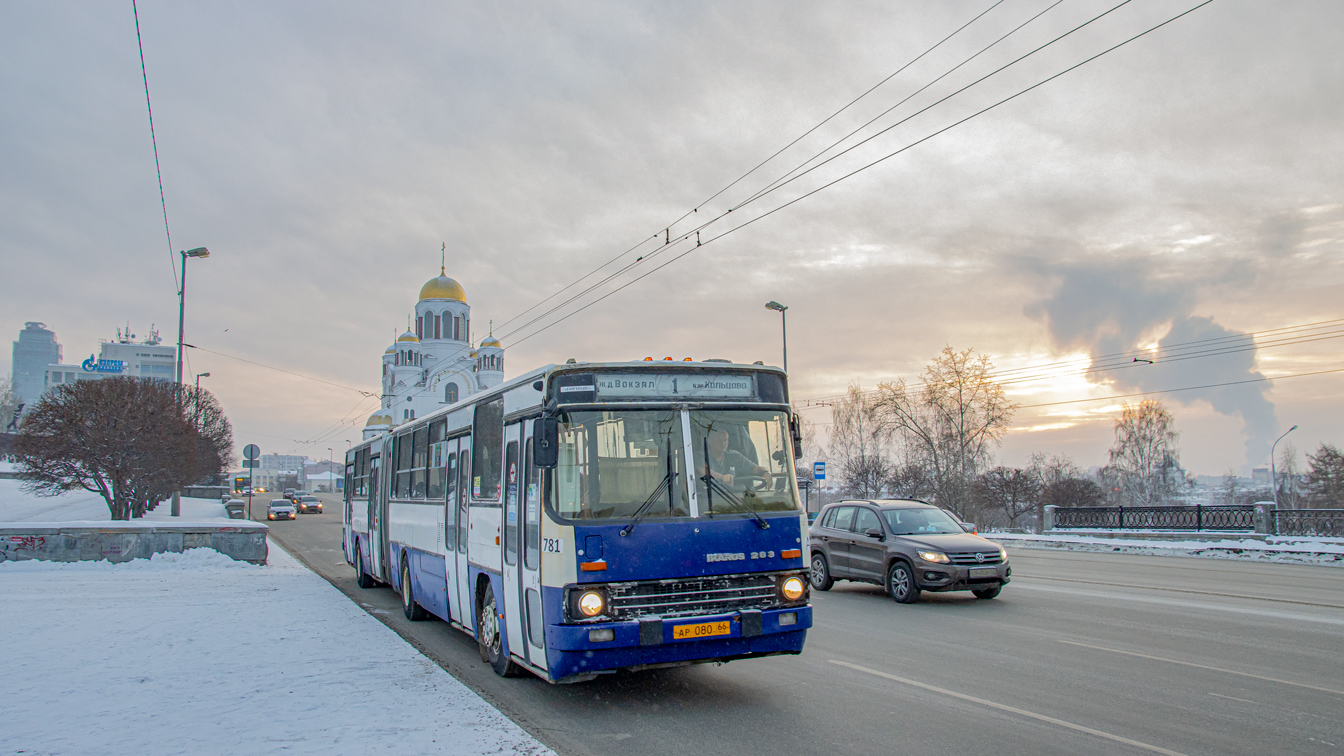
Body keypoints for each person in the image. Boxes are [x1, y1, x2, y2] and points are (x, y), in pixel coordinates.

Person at [704, 427, 771, 490]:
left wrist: (766, 472)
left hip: (734, 498)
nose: (723, 443)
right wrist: (722, 477)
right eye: (719, 440)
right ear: (709, 441)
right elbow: (703, 470)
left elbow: (756, 468)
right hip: (708, 497)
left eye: (725, 440)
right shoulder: (702, 456)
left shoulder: (734, 456)